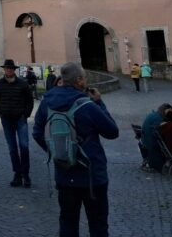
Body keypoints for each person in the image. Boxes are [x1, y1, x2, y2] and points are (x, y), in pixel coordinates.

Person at [32, 62, 119, 237]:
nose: (86, 80)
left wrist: (57, 151)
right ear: (79, 80)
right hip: (92, 175)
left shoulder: (47, 102)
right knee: (98, 225)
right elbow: (112, 132)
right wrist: (99, 102)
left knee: (67, 222)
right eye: (85, 77)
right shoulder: (87, 104)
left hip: (64, 173)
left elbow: (37, 133)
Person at [0, 59, 34, 188]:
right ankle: (17, 174)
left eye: (11, 68)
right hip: (6, 120)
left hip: (20, 119)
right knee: (12, 149)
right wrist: (0, 112)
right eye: (7, 68)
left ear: (14, 70)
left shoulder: (22, 84)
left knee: (24, 147)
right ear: (4, 70)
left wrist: (26, 114)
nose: (9, 70)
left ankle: (26, 174)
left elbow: (30, 100)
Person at [141, 103, 172, 171]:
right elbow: (159, 133)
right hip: (152, 143)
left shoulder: (153, 114)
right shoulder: (158, 118)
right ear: (165, 110)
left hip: (144, 140)